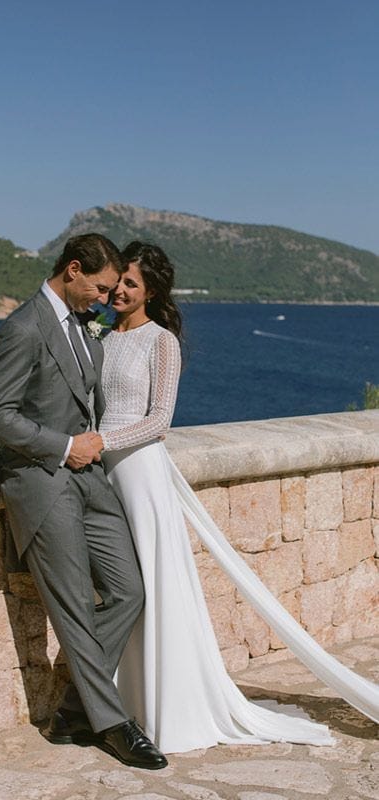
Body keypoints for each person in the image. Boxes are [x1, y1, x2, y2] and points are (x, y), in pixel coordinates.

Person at [94, 240, 379, 753]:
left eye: (130, 284)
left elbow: (160, 421)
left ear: (151, 292)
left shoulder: (161, 342)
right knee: (120, 585)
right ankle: (120, 699)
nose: (118, 290)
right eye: (118, 281)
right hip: (101, 473)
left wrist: (102, 441)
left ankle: (166, 705)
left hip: (139, 472)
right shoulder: (100, 336)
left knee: (153, 586)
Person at [0, 233, 167, 770]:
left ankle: (71, 710)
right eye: (102, 288)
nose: (107, 300)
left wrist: (88, 448)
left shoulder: (87, 328)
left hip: (92, 481)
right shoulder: (21, 327)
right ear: (75, 270)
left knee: (130, 591)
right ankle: (112, 723)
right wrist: (64, 446)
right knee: (76, 610)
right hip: (42, 482)